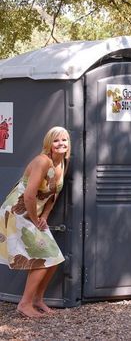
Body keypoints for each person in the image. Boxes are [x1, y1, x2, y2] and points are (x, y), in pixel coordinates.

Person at [0, 126, 71, 318]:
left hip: (34, 214)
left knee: (54, 258)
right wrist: (35, 219)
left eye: (64, 140)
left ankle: (38, 299)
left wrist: (45, 216)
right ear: (48, 143)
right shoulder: (42, 161)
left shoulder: (62, 163)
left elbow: (53, 194)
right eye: (56, 140)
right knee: (44, 258)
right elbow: (30, 196)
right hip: (18, 211)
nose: (61, 143)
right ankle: (25, 304)